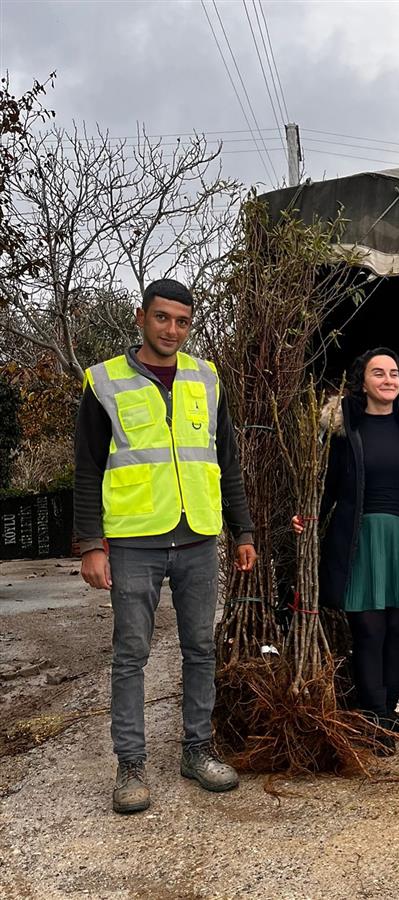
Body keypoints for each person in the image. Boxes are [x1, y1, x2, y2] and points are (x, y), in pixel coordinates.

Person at [74, 278, 257, 815]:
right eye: (162, 318)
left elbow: (226, 461)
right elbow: (87, 468)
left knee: (200, 648)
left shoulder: (206, 377)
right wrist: (91, 544)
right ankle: (130, 764)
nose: (171, 329)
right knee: (132, 654)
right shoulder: (104, 381)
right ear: (141, 317)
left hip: (199, 535)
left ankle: (196, 751)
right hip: (135, 541)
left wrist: (241, 530)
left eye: (181, 320)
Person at [293, 348, 399, 752]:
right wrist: (306, 517)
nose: (388, 380)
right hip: (360, 540)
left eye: (394, 373)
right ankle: (370, 716)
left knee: (398, 629)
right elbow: (324, 486)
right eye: (377, 373)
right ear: (361, 381)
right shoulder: (344, 427)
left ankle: (387, 713)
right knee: (368, 630)